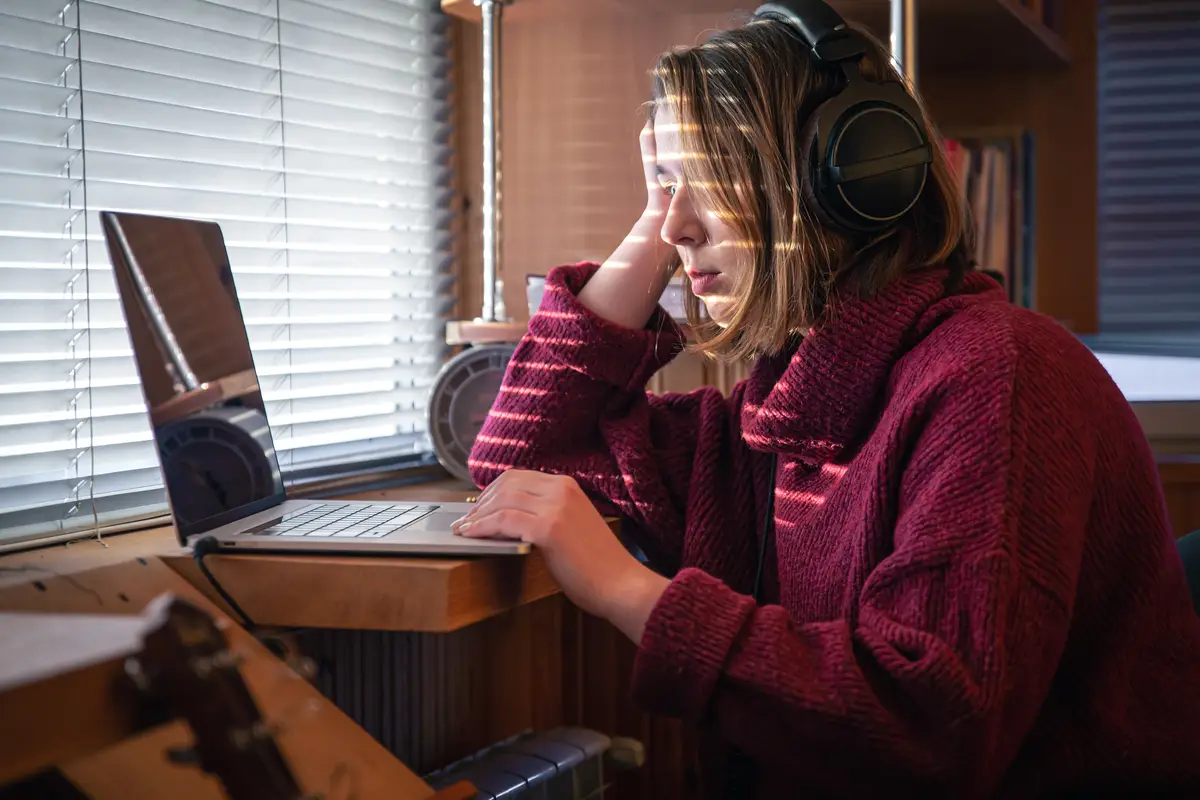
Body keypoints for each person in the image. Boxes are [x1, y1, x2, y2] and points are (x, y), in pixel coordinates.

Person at [453, 3, 1200, 797]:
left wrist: (629, 592)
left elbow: (930, 727)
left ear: (846, 179)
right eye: (667, 182)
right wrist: (652, 217)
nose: (677, 224)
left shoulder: (997, 378)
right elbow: (518, 458)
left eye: (711, 177)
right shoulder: (793, 407)